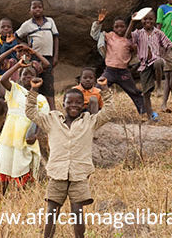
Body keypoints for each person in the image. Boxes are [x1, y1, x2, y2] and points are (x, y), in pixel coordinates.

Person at [26, 76, 112, 238]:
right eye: (70, 102)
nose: (74, 106)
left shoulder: (90, 121)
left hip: (79, 174)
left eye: (78, 103)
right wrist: (34, 90)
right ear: (63, 103)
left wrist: (104, 89)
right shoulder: (52, 120)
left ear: (83, 105)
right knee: (52, 211)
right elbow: (31, 112)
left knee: (77, 211)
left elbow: (110, 112)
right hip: (57, 173)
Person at [0, 59, 49, 194]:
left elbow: (42, 119)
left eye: (31, 75)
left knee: (22, 163)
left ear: (38, 79)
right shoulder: (15, 90)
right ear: (19, 77)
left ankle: (20, 195)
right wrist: (18, 65)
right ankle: (2, 195)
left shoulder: (41, 99)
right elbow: (3, 79)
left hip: (26, 136)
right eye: (24, 74)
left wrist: (35, 134)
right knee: (5, 163)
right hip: (9, 136)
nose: (28, 77)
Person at [90, 8, 145, 116]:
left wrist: (133, 22)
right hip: (109, 71)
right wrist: (99, 22)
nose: (119, 28)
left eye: (122, 26)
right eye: (116, 26)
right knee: (97, 90)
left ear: (126, 27)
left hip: (123, 72)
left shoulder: (130, 39)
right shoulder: (109, 36)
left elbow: (136, 48)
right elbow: (95, 35)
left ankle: (144, 111)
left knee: (134, 92)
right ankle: (93, 113)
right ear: (113, 28)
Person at [127, 10, 172, 121]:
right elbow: (127, 36)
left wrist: (164, 56)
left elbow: (169, 44)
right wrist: (132, 22)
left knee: (158, 62)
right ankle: (149, 118)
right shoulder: (138, 33)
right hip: (144, 65)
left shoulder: (158, 33)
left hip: (156, 61)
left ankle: (158, 86)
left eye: (150, 19)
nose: (148, 21)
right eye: (145, 19)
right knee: (146, 93)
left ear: (154, 20)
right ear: (141, 20)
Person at [15, 0, 59, 110]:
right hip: (34, 58)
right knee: (33, 82)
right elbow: (16, 36)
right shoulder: (27, 25)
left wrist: (56, 56)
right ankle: (31, 108)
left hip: (48, 57)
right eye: (34, 7)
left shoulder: (50, 22)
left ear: (43, 9)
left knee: (48, 84)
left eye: (39, 7)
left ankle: (52, 111)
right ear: (29, 10)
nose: (37, 9)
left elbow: (56, 38)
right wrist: (25, 45)